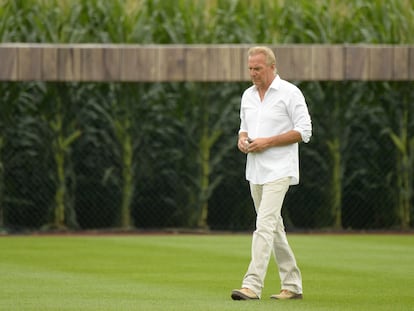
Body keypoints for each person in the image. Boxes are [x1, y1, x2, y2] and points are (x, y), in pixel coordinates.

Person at [231, 46, 312, 301]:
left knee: (264, 225)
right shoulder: (247, 95)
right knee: (274, 228)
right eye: (250, 69)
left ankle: (252, 286)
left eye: (258, 68)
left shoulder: (290, 93)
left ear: (272, 67)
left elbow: (304, 131)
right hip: (255, 170)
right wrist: (242, 140)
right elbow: (244, 128)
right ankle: (293, 285)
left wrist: (268, 142)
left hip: (280, 169)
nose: (253, 73)